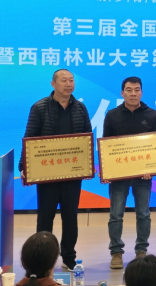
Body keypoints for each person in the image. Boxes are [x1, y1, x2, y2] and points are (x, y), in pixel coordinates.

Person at [19, 69, 92, 271]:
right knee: (45, 217)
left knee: (70, 217)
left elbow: (87, 138)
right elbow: (30, 138)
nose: (69, 84)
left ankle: (69, 257)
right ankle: (42, 260)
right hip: (47, 174)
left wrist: (88, 164)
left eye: (71, 80)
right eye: (64, 80)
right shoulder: (39, 107)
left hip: (72, 174)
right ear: (53, 84)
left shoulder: (80, 108)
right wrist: (24, 166)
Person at [103, 77, 156, 269]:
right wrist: (108, 171)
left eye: (137, 90)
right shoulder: (112, 115)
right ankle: (116, 252)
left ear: (141, 92)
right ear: (122, 93)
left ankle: (141, 250)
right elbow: (107, 145)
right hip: (119, 176)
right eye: (129, 90)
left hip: (143, 176)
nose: (133, 93)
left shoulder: (152, 115)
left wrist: (152, 168)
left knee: (143, 214)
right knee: (115, 215)